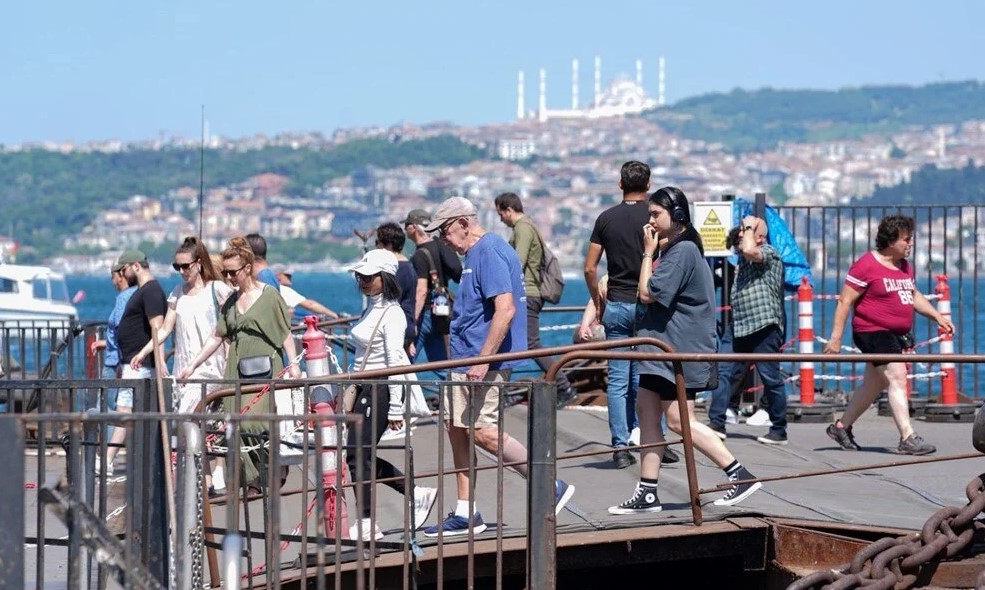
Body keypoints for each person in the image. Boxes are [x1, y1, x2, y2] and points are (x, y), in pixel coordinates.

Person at [420, 197, 574, 538]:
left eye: (444, 231)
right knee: (456, 427)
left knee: (482, 430)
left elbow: (505, 310)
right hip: (467, 357)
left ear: (462, 223)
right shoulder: (478, 253)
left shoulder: (488, 251)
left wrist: (483, 361)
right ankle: (466, 511)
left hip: (480, 359)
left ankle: (549, 483)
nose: (442, 239)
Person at [609, 187, 762, 514]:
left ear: (676, 217)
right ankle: (647, 491)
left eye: (655, 214)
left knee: (679, 421)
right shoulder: (671, 251)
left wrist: (647, 253)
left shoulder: (684, 252)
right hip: (658, 352)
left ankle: (739, 473)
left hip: (679, 351)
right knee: (647, 414)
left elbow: (649, 293)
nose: (648, 220)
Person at [823, 215, 953, 455]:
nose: (910, 244)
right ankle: (908, 437)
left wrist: (937, 316)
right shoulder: (866, 265)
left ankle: (842, 427)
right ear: (891, 240)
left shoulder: (904, 266)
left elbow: (912, 295)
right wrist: (836, 338)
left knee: (873, 385)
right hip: (872, 332)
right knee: (897, 376)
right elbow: (845, 301)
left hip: (896, 334)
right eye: (906, 240)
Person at [178, 236, 301, 487]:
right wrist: (193, 364)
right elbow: (217, 336)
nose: (229, 277)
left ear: (247, 268)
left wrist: (294, 364)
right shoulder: (231, 302)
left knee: (254, 421)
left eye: (233, 272)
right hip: (235, 365)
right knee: (232, 425)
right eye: (225, 273)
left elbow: (285, 333)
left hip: (264, 366)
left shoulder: (269, 296)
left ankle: (265, 477)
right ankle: (252, 481)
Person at [343, 248, 438, 540]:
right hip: (364, 388)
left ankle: (370, 519)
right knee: (357, 457)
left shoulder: (393, 314)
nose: (362, 281)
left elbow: (397, 362)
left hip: (381, 389)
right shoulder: (371, 307)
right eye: (360, 276)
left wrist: (396, 407)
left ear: (384, 278)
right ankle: (412, 493)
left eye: (368, 277)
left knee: (359, 457)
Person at [583, 161, 650, 469]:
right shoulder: (654, 216)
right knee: (648, 375)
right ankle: (653, 438)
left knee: (619, 379)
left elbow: (589, 266)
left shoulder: (606, 219)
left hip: (617, 303)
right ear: (648, 186)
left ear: (619, 184)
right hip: (648, 304)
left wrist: (597, 301)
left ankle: (620, 446)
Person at [708, 216, 789, 445]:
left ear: (759, 236)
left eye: (747, 232)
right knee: (723, 370)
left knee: (770, 378)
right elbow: (739, 246)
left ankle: (779, 429)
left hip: (764, 326)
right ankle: (717, 422)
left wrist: (751, 227)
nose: (741, 236)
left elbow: (752, 250)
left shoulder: (770, 253)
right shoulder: (742, 260)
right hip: (740, 325)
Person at [494, 192, 576, 407]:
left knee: (529, 343)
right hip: (529, 293)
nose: (500, 219)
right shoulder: (528, 227)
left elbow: (517, 263)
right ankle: (503, 391)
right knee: (509, 342)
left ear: (509, 210)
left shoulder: (522, 228)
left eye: (500, 213)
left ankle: (563, 385)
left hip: (527, 293)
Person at [137, 237, 233, 414]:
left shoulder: (217, 289)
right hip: (183, 370)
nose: (182, 271)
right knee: (189, 425)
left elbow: (232, 322)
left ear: (198, 264)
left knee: (189, 418)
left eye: (185, 266)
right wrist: (143, 352)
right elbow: (165, 329)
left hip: (210, 369)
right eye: (177, 267)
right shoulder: (177, 293)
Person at [101, 249, 167, 475]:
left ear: (135, 266)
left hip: (140, 365)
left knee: (128, 412)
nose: (122, 273)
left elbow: (158, 328)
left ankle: (111, 459)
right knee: (126, 412)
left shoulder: (150, 291)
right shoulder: (142, 291)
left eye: (125, 268)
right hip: (134, 363)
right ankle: (112, 459)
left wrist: (156, 359)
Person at [403, 208, 462, 370]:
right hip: (441, 312)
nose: (405, 230)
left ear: (413, 228)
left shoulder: (420, 255)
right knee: (441, 364)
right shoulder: (439, 245)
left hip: (425, 313)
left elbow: (421, 291)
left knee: (405, 360)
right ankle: (450, 394)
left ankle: (398, 394)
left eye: (407, 225)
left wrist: (412, 321)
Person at [88, 264, 137, 435]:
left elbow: (122, 330)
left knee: (108, 410)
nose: (112, 282)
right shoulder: (133, 295)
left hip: (115, 361)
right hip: (118, 358)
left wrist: (119, 363)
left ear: (121, 276)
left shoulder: (124, 298)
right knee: (115, 407)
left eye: (113, 277)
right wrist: (105, 343)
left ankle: (106, 454)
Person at [375, 222, 418, 351]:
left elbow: (388, 301)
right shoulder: (409, 266)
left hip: (393, 328)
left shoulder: (393, 270)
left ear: (388, 245)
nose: (376, 247)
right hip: (406, 325)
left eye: (378, 242)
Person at [272, 264, 339, 321]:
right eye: (288, 275)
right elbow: (310, 305)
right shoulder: (284, 290)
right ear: (279, 276)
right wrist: (334, 315)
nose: (290, 277)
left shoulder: (268, 288)